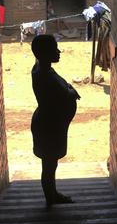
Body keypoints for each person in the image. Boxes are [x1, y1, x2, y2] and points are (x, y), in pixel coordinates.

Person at [30, 35, 81, 206]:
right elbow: (65, 91)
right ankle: (51, 198)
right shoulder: (45, 76)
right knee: (49, 166)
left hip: (50, 124)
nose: (59, 52)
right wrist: (71, 92)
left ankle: (52, 194)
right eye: (54, 49)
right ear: (44, 53)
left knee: (50, 165)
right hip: (48, 128)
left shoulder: (42, 68)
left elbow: (64, 86)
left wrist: (68, 90)